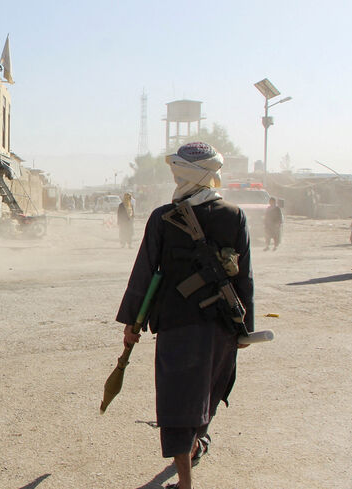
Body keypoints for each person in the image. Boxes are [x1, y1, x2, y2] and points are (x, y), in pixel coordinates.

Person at [116, 142, 254, 489]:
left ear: (186, 174)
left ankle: (185, 479)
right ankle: (194, 449)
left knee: (179, 401)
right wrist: (244, 331)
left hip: (177, 325)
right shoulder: (234, 216)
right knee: (207, 392)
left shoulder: (164, 217)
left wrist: (133, 324)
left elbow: (144, 273)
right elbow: (245, 278)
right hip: (222, 326)